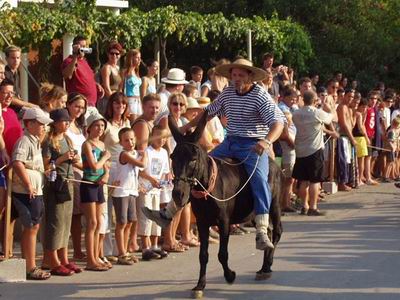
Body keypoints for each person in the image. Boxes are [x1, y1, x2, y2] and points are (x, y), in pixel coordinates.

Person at [145, 58, 285, 250]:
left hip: (253, 145)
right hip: (230, 142)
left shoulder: (260, 96)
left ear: (250, 76)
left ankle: (261, 229)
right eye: (234, 75)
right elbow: (207, 113)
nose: (236, 78)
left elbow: (278, 123)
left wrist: (266, 140)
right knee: (200, 167)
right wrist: (187, 125)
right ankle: (168, 213)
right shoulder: (227, 93)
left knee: (260, 179)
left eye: (240, 75)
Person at [12, 107, 53, 280]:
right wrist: (28, 184)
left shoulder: (35, 141)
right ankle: (30, 267)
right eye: (41, 123)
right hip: (26, 191)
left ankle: (29, 265)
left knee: (34, 227)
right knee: (30, 227)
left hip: (36, 190)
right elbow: (17, 162)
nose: (44, 127)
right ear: (30, 124)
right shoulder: (24, 141)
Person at [42, 108, 82, 276]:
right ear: (55, 122)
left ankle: (64, 258)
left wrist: (75, 158)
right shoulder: (48, 141)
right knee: (55, 222)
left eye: (68, 121)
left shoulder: (66, 138)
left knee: (66, 221)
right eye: (63, 121)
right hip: (55, 184)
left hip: (68, 182)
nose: (67, 123)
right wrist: (62, 158)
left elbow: (76, 162)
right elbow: (45, 166)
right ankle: (52, 260)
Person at [292, 91, 333, 216]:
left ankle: (304, 205)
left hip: (300, 150)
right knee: (315, 181)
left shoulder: (296, 113)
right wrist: (328, 107)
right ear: (315, 100)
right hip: (314, 150)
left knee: (303, 180)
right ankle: (313, 207)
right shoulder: (317, 113)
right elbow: (331, 118)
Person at [80, 113, 111, 271]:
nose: (100, 129)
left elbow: (105, 169)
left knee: (98, 222)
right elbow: (94, 166)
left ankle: (96, 257)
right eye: (97, 126)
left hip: (99, 185)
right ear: (90, 127)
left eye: (102, 126)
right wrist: (105, 158)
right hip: (88, 183)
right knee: (91, 222)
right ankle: (90, 260)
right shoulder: (87, 144)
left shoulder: (103, 144)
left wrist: (105, 176)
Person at [111, 127, 146, 264]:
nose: (130, 142)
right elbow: (142, 164)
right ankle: (121, 253)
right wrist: (145, 154)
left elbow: (140, 170)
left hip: (132, 190)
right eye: (126, 140)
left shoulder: (135, 153)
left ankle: (126, 250)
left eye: (132, 139)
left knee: (130, 222)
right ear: (121, 143)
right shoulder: (124, 154)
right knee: (122, 222)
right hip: (122, 192)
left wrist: (141, 153)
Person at [137, 125, 170, 259]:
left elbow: (164, 172)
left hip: (156, 189)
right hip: (145, 188)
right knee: (146, 217)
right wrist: (151, 179)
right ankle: (146, 247)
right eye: (158, 137)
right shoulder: (147, 152)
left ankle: (155, 245)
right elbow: (141, 170)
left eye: (164, 138)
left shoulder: (164, 152)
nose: (161, 140)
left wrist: (161, 182)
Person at [65, 93, 87, 260]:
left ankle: (78, 249)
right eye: (76, 106)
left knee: (79, 215)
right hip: (72, 172)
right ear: (68, 105)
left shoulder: (80, 127)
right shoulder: (64, 126)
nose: (79, 110)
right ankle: (70, 251)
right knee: (72, 214)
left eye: (82, 107)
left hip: (83, 173)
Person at [61, 35, 104, 108]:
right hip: (79, 105)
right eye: (81, 47)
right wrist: (75, 55)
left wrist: (95, 85)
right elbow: (67, 75)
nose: (83, 49)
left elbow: (85, 79)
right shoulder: (69, 61)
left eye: (84, 46)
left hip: (91, 104)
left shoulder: (85, 62)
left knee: (100, 120)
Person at [98, 42, 123, 115]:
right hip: (108, 101)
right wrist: (114, 101)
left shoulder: (118, 68)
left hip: (117, 100)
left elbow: (120, 87)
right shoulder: (106, 68)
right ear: (108, 54)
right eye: (112, 53)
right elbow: (106, 88)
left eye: (117, 54)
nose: (114, 56)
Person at [120, 49, 142, 122]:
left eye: (140, 58)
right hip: (130, 99)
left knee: (139, 121)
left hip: (138, 99)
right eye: (137, 58)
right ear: (131, 58)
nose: (139, 60)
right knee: (133, 121)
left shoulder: (136, 72)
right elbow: (121, 87)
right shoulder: (125, 72)